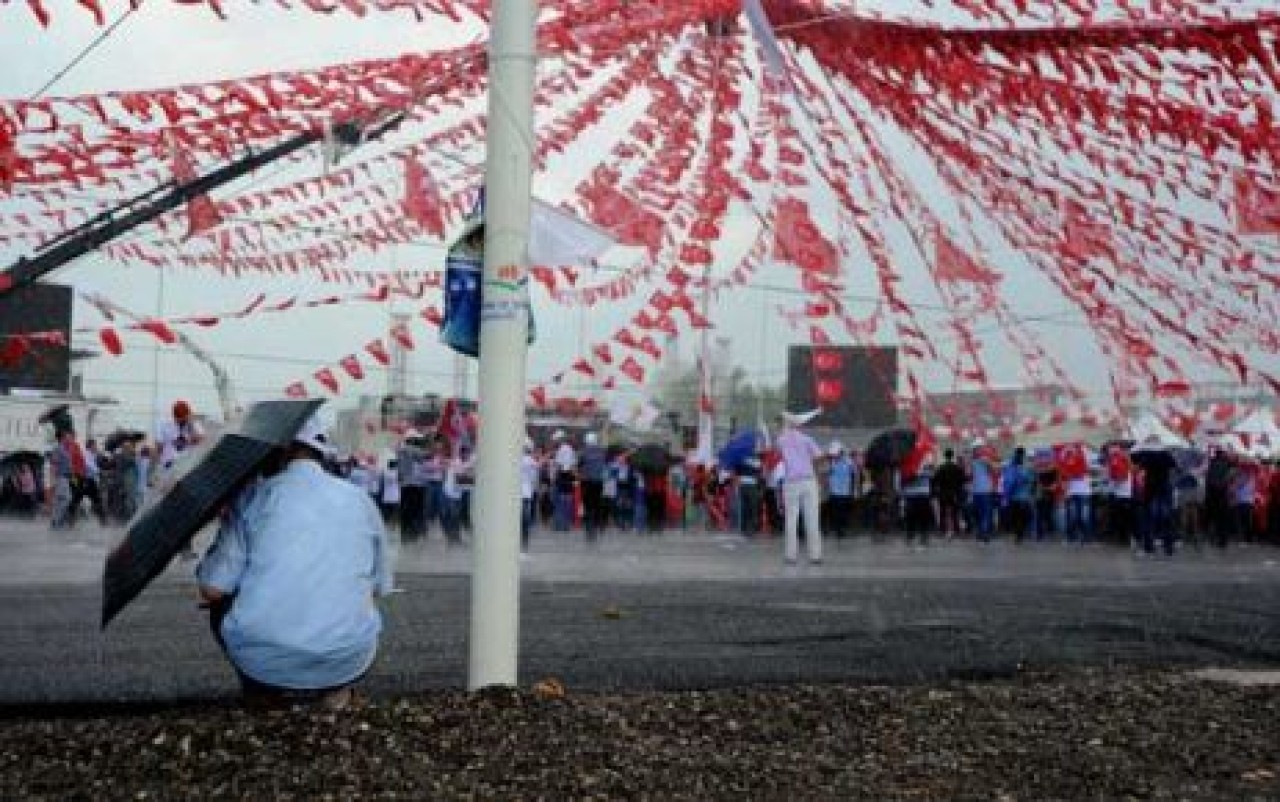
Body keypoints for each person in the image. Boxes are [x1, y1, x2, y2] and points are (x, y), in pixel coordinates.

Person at [196, 412, 392, 708]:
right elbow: (379, 586)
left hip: (264, 659)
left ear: (281, 450)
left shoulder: (252, 497)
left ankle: (262, 693)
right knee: (359, 595)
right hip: (348, 656)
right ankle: (336, 694)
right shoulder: (359, 499)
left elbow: (212, 589)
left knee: (221, 604)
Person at [776, 412, 825, 565]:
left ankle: (791, 555)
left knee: (791, 519)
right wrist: (816, 473)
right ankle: (815, 555)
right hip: (808, 480)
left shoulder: (781, 440)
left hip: (791, 482)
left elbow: (778, 453)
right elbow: (819, 457)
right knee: (812, 518)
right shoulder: (807, 439)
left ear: (785, 425)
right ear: (798, 425)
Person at [156, 399, 205, 473]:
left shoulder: (194, 424)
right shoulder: (164, 424)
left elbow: (199, 440)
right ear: (174, 416)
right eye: (179, 419)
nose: (182, 421)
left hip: (187, 464)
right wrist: (159, 463)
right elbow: (159, 446)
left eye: (184, 418)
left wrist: (190, 425)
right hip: (169, 463)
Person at [932, 448, 966, 538]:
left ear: (945, 456)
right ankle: (956, 529)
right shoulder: (957, 468)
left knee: (942, 512)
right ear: (952, 456)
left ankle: (942, 530)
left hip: (943, 493)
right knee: (955, 512)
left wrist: (935, 492)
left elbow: (935, 480)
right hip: (954, 493)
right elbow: (962, 480)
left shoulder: (941, 468)